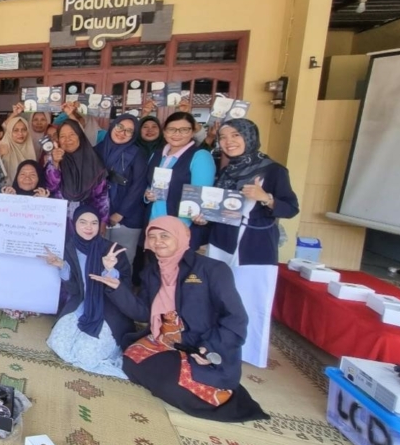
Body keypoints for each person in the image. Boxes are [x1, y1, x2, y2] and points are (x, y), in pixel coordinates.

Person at [92, 217, 268, 423]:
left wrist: (211, 347)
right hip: (165, 339)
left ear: (182, 237)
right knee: (130, 362)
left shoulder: (212, 270)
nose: (158, 242)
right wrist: (116, 286)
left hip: (201, 344)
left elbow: (236, 318)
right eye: (152, 236)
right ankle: (171, 367)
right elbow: (142, 312)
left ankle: (213, 386)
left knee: (171, 385)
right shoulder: (152, 271)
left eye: (165, 236)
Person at [44, 206, 133, 379]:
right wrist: (63, 267)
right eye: (82, 222)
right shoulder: (70, 248)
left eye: (94, 223)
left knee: (86, 356)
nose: (88, 227)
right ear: (74, 224)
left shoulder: (113, 251)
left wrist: (110, 270)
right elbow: (75, 290)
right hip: (82, 303)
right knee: (58, 344)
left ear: (99, 225)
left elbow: (126, 289)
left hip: (109, 307)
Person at [201, 119, 299, 266]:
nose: (229, 141)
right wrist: (204, 217)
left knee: (247, 288)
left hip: (253, 244)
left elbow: (291, 209)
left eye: (236, 135)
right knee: (218, 286)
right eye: (222, 137)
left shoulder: (273, 170)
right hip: (220, 241)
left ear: (249, 137)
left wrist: (266, 198)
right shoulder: (227, 171)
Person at [144, 112, 216, 228]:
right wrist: (147, 194)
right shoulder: (157, 154)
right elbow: (149, 183)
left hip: (180, 225)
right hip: (152, 221)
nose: (177, 134)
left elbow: (201, 198)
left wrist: (186, 225)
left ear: (192, 132)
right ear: (164, 132)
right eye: (171, 129)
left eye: (184, 130)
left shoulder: (200, 156)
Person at [95, 114, 149, 264]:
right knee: (99, 257)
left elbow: (139, 185)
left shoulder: (137, 154)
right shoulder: (97, 150)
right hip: (100, 215)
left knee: (122, 259)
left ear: (134, 135)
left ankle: (121, 288)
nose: (122, 132)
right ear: (113, 126)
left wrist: (120, 213)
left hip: (127, 217)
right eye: (120, 127)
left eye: (129, 131)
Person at [46, 119, 110, 225]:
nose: (68, 139)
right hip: (58, 219)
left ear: (80, 136)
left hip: (86, 221)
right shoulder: (55, 158)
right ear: (58, 140)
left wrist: (102, 222)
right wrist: (55, 163)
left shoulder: (93, 160)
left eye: (72, 134)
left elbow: (101, 196)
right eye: (62, 136)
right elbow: (51, 187)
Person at [0, 108, 38, 192]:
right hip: (6, 194)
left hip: (28, 195)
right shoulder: (3, 148)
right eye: (15, 130)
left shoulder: (31, 148)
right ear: (9, 132)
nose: (20, 133)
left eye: (23, 130)